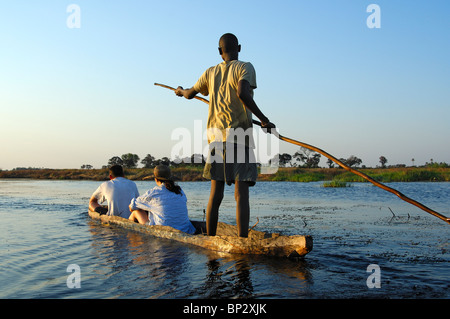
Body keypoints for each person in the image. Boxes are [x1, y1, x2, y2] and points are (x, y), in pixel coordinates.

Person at [175, 33, 275, 237]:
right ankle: (242, 240)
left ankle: (210, 239)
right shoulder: (245, 67)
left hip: (216, 138)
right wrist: (264, 120)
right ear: (239, 47)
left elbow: (190, 94)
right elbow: (242, 93)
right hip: (240, 136)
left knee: (216, 194)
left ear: (220, 52)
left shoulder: (210, 73)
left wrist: (180, 91)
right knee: (241, 194)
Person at [128, 164, 196, 235]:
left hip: (164, 232)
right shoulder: (180, 191)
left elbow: (132, 206)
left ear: (156, 179)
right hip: (185, 229)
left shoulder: (154, 192)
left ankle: (130, 236)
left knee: (136, 212)